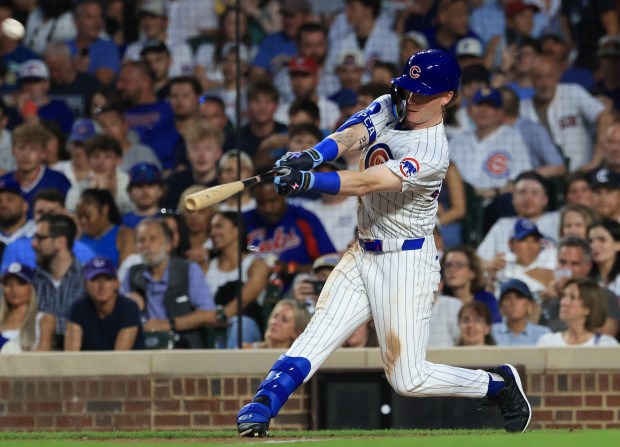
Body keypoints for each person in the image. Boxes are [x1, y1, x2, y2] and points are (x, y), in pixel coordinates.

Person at [237, 49, 531, 437]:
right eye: (410, 89)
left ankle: (497, 384)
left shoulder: (432, 151)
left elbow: (367, 182)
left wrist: (308, 181)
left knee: (407, 379)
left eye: (424, 93)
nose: (413, 99)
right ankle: (263, 404)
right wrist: (310, 156)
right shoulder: (393, 104)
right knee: (319, 332)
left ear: (448, 97)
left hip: (407, 262)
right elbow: (351, 135)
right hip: (363, 250)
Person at [120, 217, 216, 349]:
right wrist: (126, 304)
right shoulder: (132, 274)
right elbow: (115, 313)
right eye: (141, 240)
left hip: (183, 348)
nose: (147, 245)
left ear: (168, 244)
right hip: (142, 348)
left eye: (153, 239)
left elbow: (209, 314)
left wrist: (167, 324)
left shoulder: (188, 270)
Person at [206, 211, 270, 348]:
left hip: (247, 327)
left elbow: (243, 301)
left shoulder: (256, 265)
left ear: (236, 230)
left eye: (219, 226)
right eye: (211, 228)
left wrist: (216, 319)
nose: (212, 233)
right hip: (211, 329)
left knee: (241, 324)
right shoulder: (206, 266)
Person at [539, 236, 620, 337]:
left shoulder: (604, 295)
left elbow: (609, 331)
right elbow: (529, 319)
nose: (567, 268)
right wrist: (539, 302)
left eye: (574, 264)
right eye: (562, 262)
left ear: (587, 266)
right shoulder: (545, 295)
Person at [1, 188, 96, 270]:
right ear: (33, 216)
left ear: (65, 214)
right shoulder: (16, 248)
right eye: (40, 212)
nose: (46, 217)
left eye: (52, 212)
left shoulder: (83, 251)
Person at [64, 256, 144, 351]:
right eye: (94, 279)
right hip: (86, 365)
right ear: (85, 284)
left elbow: (120, 357)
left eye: (107, 279)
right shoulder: (78, 308)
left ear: (116, 283)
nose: (101, 285)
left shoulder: (129, 308)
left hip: (127, 365)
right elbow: (71, 356)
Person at [32, 214, 85, 349]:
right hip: (38, 354)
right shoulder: (31, 280)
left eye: (41, 238)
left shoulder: (87, 278)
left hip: (79, 353)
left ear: (61, 242)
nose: (33, 243)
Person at [0, 123, 70, 217]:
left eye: (33, 149)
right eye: (21, 148)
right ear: (13, 151)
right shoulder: (3, 182)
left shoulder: (58, 181)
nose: (26, 155)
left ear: (43, 154)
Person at [537, 278, 619, 346]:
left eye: (572, 297)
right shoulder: (548, 342)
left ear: (588, 308)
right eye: (564, 296)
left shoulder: (605, 344)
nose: (563, 302)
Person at [0, 262, 55, 351]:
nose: (14, 289)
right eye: (8, 284)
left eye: (21, 284)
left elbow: (43, 358)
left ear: (31, 287)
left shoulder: (44, 320)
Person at [441, 246, 502, 323]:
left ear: (472, 272)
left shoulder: (487, 299)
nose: (452, 270)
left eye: (459, 265)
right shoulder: (438, 303)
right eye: (448, 265)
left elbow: (495, 330)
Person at [67, 0, 120, 86]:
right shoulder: (62, 47)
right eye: (90, 17)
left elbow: (103, 80)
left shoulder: (108, 48)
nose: (97, 23)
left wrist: (74, 71)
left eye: (100, 17)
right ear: (77, 22)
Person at [491, 279, 551, 346]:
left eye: (519, 297)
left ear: (529, 304)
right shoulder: (491, 333)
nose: (513, 303)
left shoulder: (543, 334)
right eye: (508, 298)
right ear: (501, 306)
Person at [75, 188, 123, 267]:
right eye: (79, 217)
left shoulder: (123, 235)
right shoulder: (77, 237)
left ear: (104, 210)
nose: (83, 221)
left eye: (87, 216)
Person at [245, 299, 312, 350]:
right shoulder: (247, 351)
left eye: (284, 320)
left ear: (298, 332)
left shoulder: (297, 361)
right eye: (275, 316)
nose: (275, 322)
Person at [122, 163, 164, 230]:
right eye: (139, 186)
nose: (145, 192)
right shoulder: (121, 223)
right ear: (129, 192)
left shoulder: (168, 220)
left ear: (161, 190)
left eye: (150, 186)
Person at [588, 219, 620, 296]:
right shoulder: (586, 279)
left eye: (602, 240)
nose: (594, 246)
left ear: (618, 245)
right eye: (591, 241)